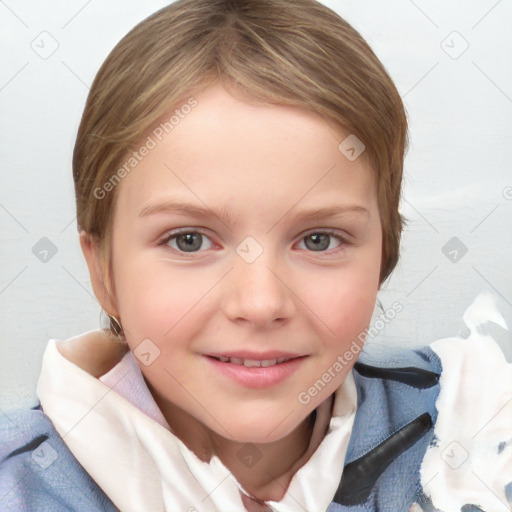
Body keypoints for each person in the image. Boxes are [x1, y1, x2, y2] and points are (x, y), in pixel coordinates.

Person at [1, 0, 510, 511]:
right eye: (189, 240)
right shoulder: (18, 487)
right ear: (103, 271)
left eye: (318, 240)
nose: (261, 303)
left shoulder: (479, 427)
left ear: (384, 256)